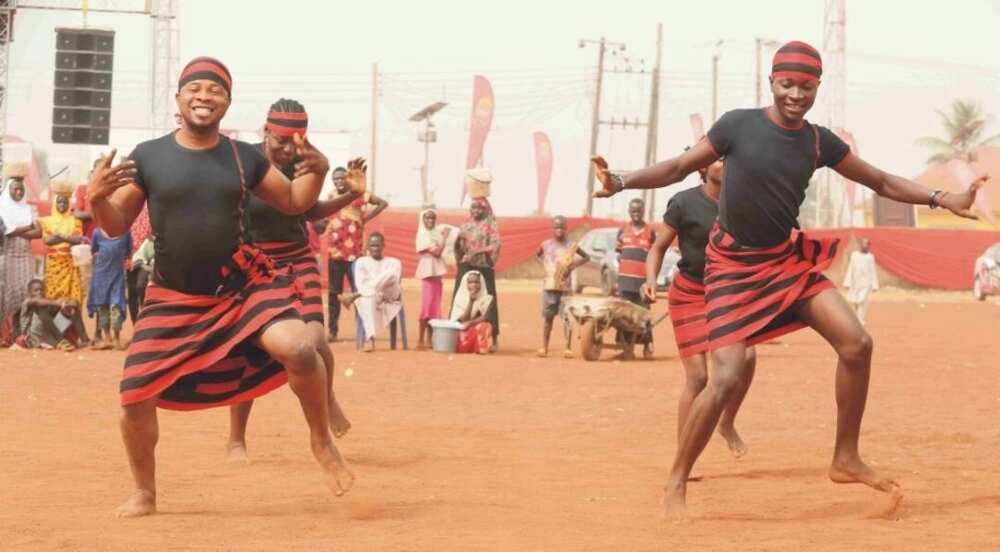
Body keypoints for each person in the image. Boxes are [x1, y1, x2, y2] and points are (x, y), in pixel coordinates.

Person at [592, 41, 986, 518]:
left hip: (784, 263)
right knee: (726, 377)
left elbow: (881, 181)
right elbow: (678, 167)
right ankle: (676, 481)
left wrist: (944, 198)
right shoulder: (737, 126)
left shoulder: (819, 141)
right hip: (732, 270)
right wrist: (622, 180)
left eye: (807, 86)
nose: (796, 94)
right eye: (787, 84)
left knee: (857, 343)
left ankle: (845, 456)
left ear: (818, 86)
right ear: (771, 83)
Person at [86, 56, 354, 517]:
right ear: (179, 98)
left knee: (300, 347)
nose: (204, 96)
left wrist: (318, 169)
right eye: (196, 89)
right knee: (134, 398)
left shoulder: (242, 157)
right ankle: (145, 493)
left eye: (215, 90)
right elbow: (116, 226)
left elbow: (293, 202)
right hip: (173, 297)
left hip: (240, 287)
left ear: (227, 104)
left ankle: (321, 440)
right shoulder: (149, 155)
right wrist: (95, 198)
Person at [228, 99, 362, 461]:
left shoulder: (308, 162)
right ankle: (236, 439)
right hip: (257, 262)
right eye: (281, 140)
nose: (288, 148)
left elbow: (309, 210)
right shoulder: (245, 162)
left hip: (297, 256)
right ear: (266, 129)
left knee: (316, 340)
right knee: (249, 351)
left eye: (297, 140)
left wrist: (351, 195)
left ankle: (327, 399)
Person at [644, 154, 755, 458]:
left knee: (747, 357)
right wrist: (650, 279)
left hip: (726, 294)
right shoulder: (683, 202)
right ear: (702, 167)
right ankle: (684, 455)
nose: (725, 163)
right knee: (699, 378)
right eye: (718, 159)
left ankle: (727, 422)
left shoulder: (742, 201)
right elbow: (658, 247)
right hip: (689, 294)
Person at [323, 167, 388, 342]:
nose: (338, 181)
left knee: (358, 292)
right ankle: (333, 331)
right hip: (335, 253)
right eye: (335, 179)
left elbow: (383, 203)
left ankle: (364, 330)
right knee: (334, 293)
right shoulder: (331, 196)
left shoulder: (360, 194)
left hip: (355, 254)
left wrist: (367, 218)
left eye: (341, 178)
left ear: (347, 179)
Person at [37, 179, 89, 345]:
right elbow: (48, 241)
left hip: (70, 265)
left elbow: (78, 240)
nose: (61, 204)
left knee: (73, 302)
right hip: (53, 266)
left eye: (65, 201)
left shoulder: (75, 221)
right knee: (53, 303)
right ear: (54, 203)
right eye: (59, 201)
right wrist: (65, 237)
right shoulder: (47, 221)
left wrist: (60, 236)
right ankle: (57, 337)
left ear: (69, 203)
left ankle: (77, 337)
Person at [454, 194, 501, 352]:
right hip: (467, 266)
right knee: (461, 297)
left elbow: (495, 245)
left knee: (489, 301)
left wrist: (478, 252)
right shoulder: (465, 225)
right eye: (473, 207)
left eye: (479, 207)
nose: (475, 210)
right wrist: (460, 251)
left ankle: (493, 337)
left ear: (485, 209)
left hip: (484, 267)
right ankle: (456, 335)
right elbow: (458, 246)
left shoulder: (490, 225)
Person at [536, 215, 588, 358]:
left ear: (566, 229)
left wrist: (573, 265)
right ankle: (544, 347)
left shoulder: (571, 245)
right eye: (556, 227)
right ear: (552, 229)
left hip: (565, 287)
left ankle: (568, 347)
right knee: (548, 318)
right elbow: (538, 255)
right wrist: (545, 266)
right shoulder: (545, 245)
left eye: (562, 227)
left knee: (566, 318)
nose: (559, 230)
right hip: (549, 286)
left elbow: (586, 257)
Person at [341, 232, 403, 352]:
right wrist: (374, 291)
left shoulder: (394, 262)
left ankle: (354, 296)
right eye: (373, 245)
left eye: (378, 245)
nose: (375, 248)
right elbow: (360, 284)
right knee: (368, 298)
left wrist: (367, 291)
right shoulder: (361, 262)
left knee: (390, 274)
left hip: (390, 296)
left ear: (383, 245)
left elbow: (396, 281)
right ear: (368, 247)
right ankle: (370, 339)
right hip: (371, 296)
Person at [0, 165, 41, 327]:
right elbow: (6, 233)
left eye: (21, 189)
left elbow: (38, 232)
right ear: (8, 190)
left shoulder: (29, 209)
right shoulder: (2, 209)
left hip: (26, 256)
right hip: (8, 256)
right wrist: (27, 227)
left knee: (26, 289)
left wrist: (16, 230)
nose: (19, 192)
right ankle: (7, 330)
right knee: (8, 293)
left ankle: (24, 328)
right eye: (15, 189)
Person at [616, 197, 656, 360]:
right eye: (633, 211)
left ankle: (647, 347)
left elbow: (655, 255)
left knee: (643, 315)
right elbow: (619, 253)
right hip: (625, 281)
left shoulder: (650, 232)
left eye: (639, 211)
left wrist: (650, 280)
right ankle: (626, 348)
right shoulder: (623, 230)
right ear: (629, 212)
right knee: (624, 315)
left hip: (642, 282)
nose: (636, 214)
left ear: (643, 212)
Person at [415, 208, 454, 349]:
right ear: (422, 219)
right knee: (426, 307)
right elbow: (437, 252)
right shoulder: (422, 235)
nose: (430, 221)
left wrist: (442, 238)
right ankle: (420, 340)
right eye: (427, 218)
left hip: (437, 274)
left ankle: (430, 340)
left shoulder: (436, 233)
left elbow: (439, 250)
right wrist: (444, 238)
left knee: (435, 308)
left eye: (432, 218)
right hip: (428, 273)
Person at [87, 227, 131, 350]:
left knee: (116, 306)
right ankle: (107, 338)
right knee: (103, 307)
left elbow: (128, 251)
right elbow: (94, 249)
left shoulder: (125, 233)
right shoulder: (97, 232)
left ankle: (116, 338)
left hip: (117, 275)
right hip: (101, 274)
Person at [14, 279, 82, 350]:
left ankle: (85, 339)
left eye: (41, 290)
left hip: (49, 334)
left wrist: (68, 304)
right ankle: (60, 341)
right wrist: (58, 303)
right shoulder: (27, 301)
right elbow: (37, 302)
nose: (39, 292)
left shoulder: (46, 301)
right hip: (33, 337)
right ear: (30, 293)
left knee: (70, 310)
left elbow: (75, 303)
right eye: (36, 290)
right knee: (42, 309)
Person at [450, 270, 494, 354]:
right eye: (470, 282)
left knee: (485, 326)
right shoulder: (459, 298)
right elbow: (462, 320)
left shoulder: (487, 299)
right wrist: (471, 301)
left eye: (477, 282)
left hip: (473, 329)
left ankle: (479, 348)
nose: (473, 285)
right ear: (465, 284)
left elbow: (485, 317)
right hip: (461, 331)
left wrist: (470, 323)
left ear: (482, 284)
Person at [843, 238, 879, 325]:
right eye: (865, 244)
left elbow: (872, 270)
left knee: (861, 300)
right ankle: (859, 318)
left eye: (868, 244)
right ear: (861, 245)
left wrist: (875, 285)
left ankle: (860, 319)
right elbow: (850, 268)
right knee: (855, 300)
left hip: (867, 282)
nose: (866, 246)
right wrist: (847, 282)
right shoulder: (854, 255)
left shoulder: (870, 257)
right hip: (855, 282)